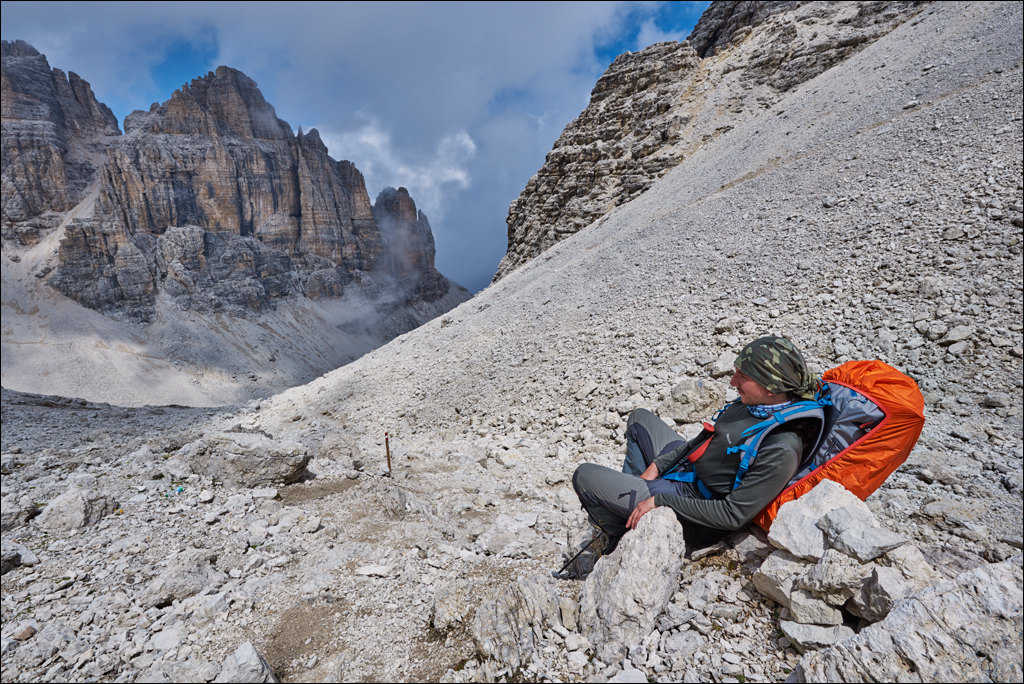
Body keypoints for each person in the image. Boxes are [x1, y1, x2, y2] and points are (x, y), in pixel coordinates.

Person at [572, 335, 820, 553]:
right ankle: (629, 505)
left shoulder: (782, 447)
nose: (733, 382)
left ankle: (622, 530)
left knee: (584, 476)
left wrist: (662, 501)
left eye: (742, 376)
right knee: (639, 418)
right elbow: (701, 440)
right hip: (688, 472)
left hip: (697, 510)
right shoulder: (753, 405)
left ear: (771, 387)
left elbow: (732, 515)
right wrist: (658, 466)